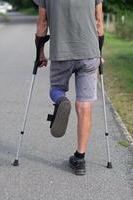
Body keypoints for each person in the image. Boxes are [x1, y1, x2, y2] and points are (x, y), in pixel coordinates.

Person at [33, 0, 104, 175]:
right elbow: (99, 21)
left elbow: (42, 23)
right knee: (84, 104)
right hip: (89, 52)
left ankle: (61, 100)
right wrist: (99, 52)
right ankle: (80, 159)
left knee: (56, 89)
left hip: (61, 52)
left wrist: (40, 53)